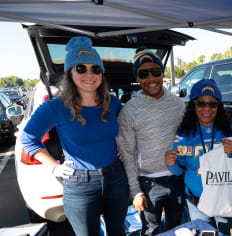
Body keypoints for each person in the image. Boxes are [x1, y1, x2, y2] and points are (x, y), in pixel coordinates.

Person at [20, 36, 129, 236]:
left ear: (101, 74)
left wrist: (120, 146)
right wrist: (54, 167)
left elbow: (123, 130)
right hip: (80, 183)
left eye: (95, 68)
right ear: (70, 72)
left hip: (116, 176)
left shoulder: (112, 103)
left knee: (118, 232)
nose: (89, 74)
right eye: (81, 68)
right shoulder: (56, 107)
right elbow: (28, 139)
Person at [165, 79, 232, 236]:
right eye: (201, 103)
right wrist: (171, 163)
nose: (207, 108)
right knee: (202, 232)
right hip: (197, 202)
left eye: (213, 104)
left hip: (224, 198)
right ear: (193, 105)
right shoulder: (183, 134)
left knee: (223, 232)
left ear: (219, 106)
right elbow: (178, 171)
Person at [117, 48, 185, 235]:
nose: (151, 78)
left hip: (178, 179)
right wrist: (136, 192)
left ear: (163, 73)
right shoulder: (129, 111)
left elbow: (188, 139)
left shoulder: (179, 105)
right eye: (143, 73)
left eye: (156, 71)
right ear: (137, 78)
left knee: (177, 228)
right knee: (150, 230)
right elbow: (128, 154)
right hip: (148, 183)